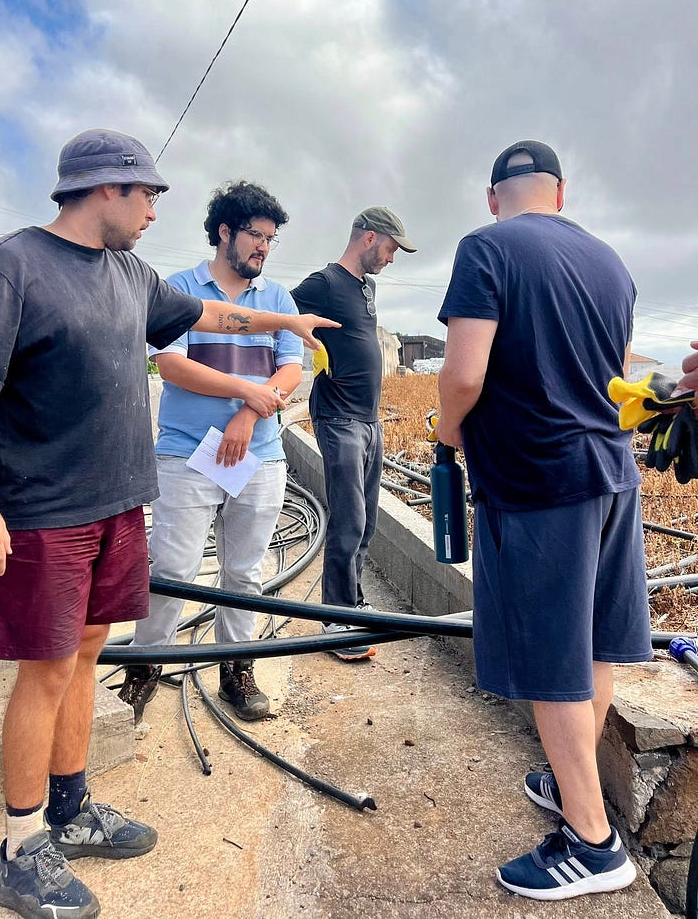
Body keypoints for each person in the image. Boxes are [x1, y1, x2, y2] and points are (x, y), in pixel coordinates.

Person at [0, 129, 337, 919]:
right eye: (147, 196)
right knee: (43, 671)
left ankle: (71, 809)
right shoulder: (14, 265)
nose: (151, 212)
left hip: (117, 503)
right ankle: (21, 845)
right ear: (106, 188)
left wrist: (289, 326)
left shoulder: (129, 273)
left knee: (85, 653)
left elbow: (206, 310)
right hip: (43, 512)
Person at [435, 140, 651, 901]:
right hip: (613, 476)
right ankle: (572, 779)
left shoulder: (486, 248)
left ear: (494, 195)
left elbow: (464, 371)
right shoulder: (611, 263)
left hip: (536, 481)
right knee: (594, 642)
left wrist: (446, 430)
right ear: (561, 192)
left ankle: (592, 842)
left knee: (549, 654)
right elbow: (623, 377)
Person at [118, 180, 303, 724]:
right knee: (172, 565)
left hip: (260, 455)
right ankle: (145, 666)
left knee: (243, 573)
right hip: (185, 453)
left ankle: (235, 667)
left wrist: (249, 413)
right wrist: (244, 390)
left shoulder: (278, 299)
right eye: (255, 235)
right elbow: (170, 365)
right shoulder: (180, 290)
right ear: (225, 232)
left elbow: (292, 368)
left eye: (270, 239)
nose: (263, 248)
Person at [292, 207, 417, 661]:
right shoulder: (322, 284)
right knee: (349, 520)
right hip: (338, 417)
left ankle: (353, 601)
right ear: (368, 238)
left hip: (369, 420)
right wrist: (302, 347)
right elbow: (277, 315)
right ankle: (336, 618)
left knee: (367, 523)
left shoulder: (368, 286)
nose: (391, 258)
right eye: (389, 248)